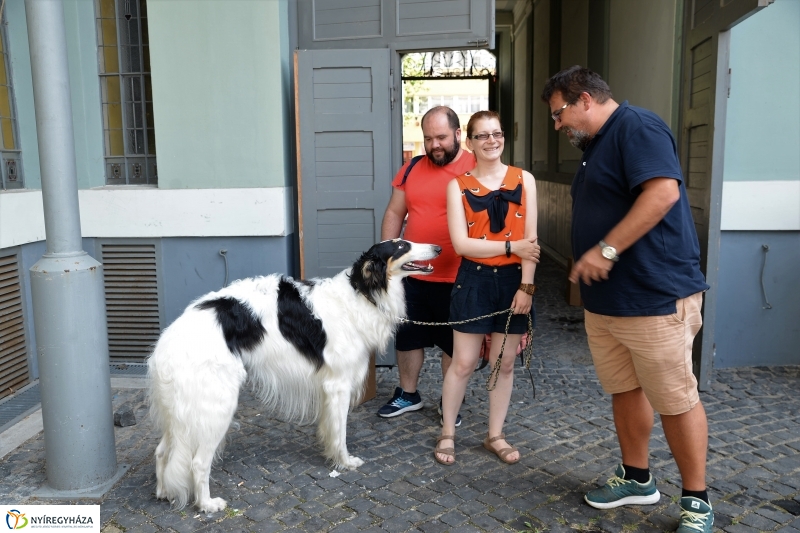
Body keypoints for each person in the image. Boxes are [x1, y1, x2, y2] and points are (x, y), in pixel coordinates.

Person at [541, 65, 713, 532]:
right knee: (624, 388)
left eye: (559, 114)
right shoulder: (597, 144)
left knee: (676, 398)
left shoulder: (637, 127)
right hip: (609, 302)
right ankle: (637, 477)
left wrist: (606, 249)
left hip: (655, 296)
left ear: (584, 99)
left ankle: (696, 502)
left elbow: (661, 194)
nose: (558, 126)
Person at [435, 110, 538, 466]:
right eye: (483, 136)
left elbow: (532, 240)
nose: (492, 141)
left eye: (497, 133)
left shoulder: (524, 179)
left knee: (504, 363)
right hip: (474, 279)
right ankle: (448, 432)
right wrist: (512, 248)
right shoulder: (458, 186)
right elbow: (462, 245)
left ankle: (495, 434)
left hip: (513, 282)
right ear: (470, 142)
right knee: (462, 363)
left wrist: (527, 286)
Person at [376, 106, 477, 423]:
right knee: (407, 337)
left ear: (458, 134)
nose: (435, 145)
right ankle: (408, 394)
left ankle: (450, 401)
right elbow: (395, 213)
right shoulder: (411, 169)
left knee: (453, 343)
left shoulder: (478, 167)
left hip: (459, 276)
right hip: (413, 275)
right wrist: (388, 259)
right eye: (428, 138)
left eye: (442, 137)